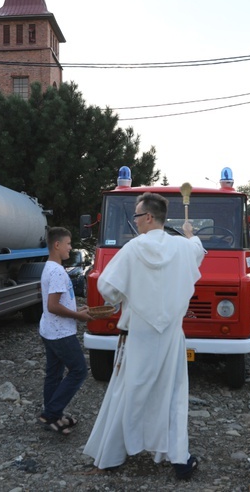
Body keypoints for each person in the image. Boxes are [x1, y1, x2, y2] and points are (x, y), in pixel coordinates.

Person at [83, 193, 205, 480]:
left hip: (139, 333)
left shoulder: (133, 249)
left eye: (137, 216)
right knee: (173, 395)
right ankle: (180, 460)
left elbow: (107, 286)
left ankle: (112, 456)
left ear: (149, 217)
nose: (135, 222)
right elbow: (197, 251)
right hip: (171, 335)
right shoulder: (182, 247)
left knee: (128, 391)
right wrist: (190, 236)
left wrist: (128, 294)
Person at [38, 227, 92, 435]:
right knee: (79, 371)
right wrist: (78, 316)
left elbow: (57, 303)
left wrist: (76, 309)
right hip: (61, 333)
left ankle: (53, 415)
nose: (71, 248)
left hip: (49, 330)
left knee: (54, 374)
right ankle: (51, 412)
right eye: (68, 244)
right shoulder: (58, 271)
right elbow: (53, 306)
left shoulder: (49, 267)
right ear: (57, 245)